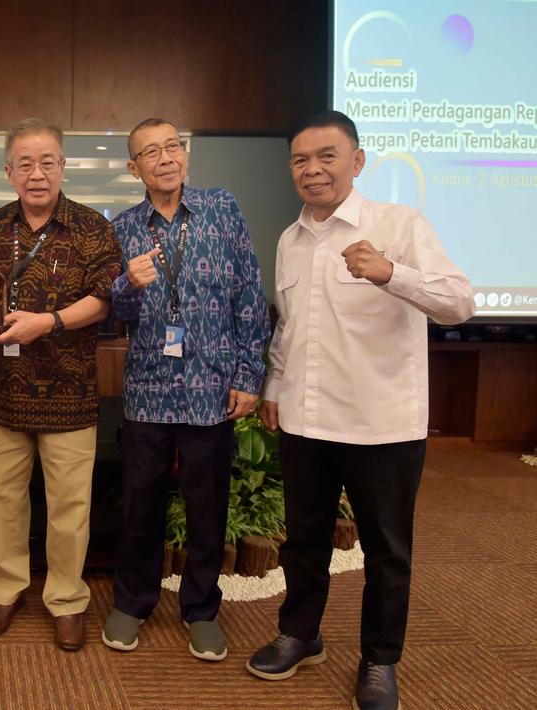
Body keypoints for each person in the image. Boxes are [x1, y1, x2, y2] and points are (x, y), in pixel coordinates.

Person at [246, 111, 474, 710]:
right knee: (303, 541)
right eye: (300, 160)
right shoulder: (290, 240)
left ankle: (380, 659)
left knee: (386, 552)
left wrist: (391, 273)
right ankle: (301, 634)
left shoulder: (399, 224)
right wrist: (274, 385)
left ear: (357, 161)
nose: (313, 169)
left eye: (326, 156)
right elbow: (290, 326)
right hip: (305, 419)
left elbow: (459, 302)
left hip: (383, 424)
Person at [103, 118, 269, 661]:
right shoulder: (124, 227)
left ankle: (201, 609)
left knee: (207, 507)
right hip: (149, 389)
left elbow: (250, 294)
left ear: (185, 154)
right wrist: (128, 284)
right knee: (140, 506)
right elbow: (113, 314)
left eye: (172, 146)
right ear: (134, 168)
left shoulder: (222, 210)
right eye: (151, 152)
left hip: (211, 390)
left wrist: (248, 375)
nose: (165, 158)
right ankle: (132, 602)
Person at [0, 117, 122, 651]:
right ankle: (4, 589)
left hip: (70, 391)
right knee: (2, 496)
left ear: (63, 167)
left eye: (48, 162)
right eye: (26, 164)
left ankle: (67, 599)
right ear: (9, 172)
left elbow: (104, 299)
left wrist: (48, 323)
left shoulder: (92, 226)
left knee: (70, 505)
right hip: (5, 388)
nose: (38, 173)